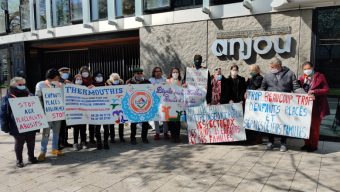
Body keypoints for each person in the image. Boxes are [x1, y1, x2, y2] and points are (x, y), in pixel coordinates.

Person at [260, 57, 302, 152]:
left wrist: (305, 96)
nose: (271, 69)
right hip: (270, 104)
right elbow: (262, 88)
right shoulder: (268, 75)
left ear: (279, 66)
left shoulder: (290, 74)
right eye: (271, 67)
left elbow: (296, 88)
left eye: (273, 67)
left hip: (285, 104)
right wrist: (252, 94)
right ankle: (270, 141)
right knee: (270, 123)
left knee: (284, 123)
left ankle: (283, 143)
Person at [0, 77, 38, 168]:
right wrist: (4, 126)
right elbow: (3, 113)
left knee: (31, 141)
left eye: (23, 84)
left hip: (31, 124)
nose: (22, 86)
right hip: (16, 126)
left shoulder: (30, 95)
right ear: (13, 85)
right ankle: (19, 160)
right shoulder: (7, 98)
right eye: (20, 85)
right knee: (19, 143)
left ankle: (31, 157)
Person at [299, 61, 330, 152]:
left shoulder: (320, 76)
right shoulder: (301, 78)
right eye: (305, 69)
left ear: (312, 68)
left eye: (308, 68)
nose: (307, 71)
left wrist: (315, 91)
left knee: (314, 127)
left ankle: (314, 145)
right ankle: (307, 144)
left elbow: (326, 89)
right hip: (305, 106)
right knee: (305, 126)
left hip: (317, 106)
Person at [35, 69, 63, 161]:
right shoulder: (41, 84)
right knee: (46, 133)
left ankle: (55, 149)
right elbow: (37, 98)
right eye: (58, 77)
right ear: (55, 77)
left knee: (56, 132)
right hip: (46, 114)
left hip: (58, 113)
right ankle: (43, 151)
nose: (59, 78)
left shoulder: (60, 85)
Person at [126, 68, 151, 145]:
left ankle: (144, 137)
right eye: (138, 73)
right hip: (133, 104)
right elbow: (125, 92)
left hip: (144, 104)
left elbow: (151, 90)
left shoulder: (146, 81)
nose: (140, 75)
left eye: (141, 73)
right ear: (134, 74)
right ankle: (133, 138)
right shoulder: (129, 82)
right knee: (133, 123)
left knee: (145, 122)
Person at [245, 64, 263, 144]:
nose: (251, 72)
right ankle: (251, 137)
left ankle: (258, 138)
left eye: (252, 70)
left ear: (257, 71)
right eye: (250, 70)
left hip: (257, 102)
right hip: (250, 102)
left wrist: (251, 79)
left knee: (257, 119)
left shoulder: (260, 78)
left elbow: (256, 85)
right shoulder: (251, 78)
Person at [92, 71, 110, 150]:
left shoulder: (106, 84)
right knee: (97, 128)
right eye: (98, 76)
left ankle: (105, 142)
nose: (100, 77)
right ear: (94, 77)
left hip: (105, 110)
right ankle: (99, 142)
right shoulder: (92, 85)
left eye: (101, 75)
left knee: (106, 128)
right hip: (96, 110)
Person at [149, 67, 168, 140]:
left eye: (159, 71)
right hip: (154, 101)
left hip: (164, 100)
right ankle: (157, 133)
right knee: (156, 117)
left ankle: (165, 132)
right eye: (156, 71)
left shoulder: (164, 79)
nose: (158, 72)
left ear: (161, 72)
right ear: (154, 72)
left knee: (165, 117)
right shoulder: (151, 80)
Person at [79, 66, 96, 145]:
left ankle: (92, 139)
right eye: (83, 71)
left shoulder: (92, 80)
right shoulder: (78, 80)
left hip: (91, 105)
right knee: (82, 124)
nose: (85, 72)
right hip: (81, 105)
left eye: (86, 71)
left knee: (92, 123)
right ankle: (83, 140)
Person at [106, 73, 125, 143]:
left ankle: (121, 136)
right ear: (111, 79)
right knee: (111, 123)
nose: (116, 80)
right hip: (111, 105)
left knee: (121, 122)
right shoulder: (107, 85)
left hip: (120, 105)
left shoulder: (122, 84)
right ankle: (112, 137)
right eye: (114, 79)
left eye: (117, 79)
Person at [166, 67, 184, 143]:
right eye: (174, 72)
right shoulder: (167, 81)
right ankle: (173, 136)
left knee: (177, 121)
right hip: (169, 104)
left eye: (177, 72)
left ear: (179, 73)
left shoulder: (181, 81)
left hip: (178, 104)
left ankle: (177, 135)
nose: (175, 73)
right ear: (171, 73)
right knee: (171, 121)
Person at [58, 67, 72, 149]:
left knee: (66, 126)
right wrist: (63, 81)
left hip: (67, 107)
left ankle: (65, 141)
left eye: (67, 72)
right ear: (59, 73)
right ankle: (59, 142)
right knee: (59, 127)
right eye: (63, 72)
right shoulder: (56, 82)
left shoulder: (69, 81)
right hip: (59, 107)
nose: (65, 73)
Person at [72, 74, 87, 151]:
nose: (79, 80)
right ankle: (75, 143)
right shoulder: (71, 88)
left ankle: (83, 142)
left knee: (83, 128)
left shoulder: (85, 87)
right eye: (77, 79)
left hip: (83, 111)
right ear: (74, 80)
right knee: (76, 128)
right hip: (75, 112)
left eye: (80, 79)